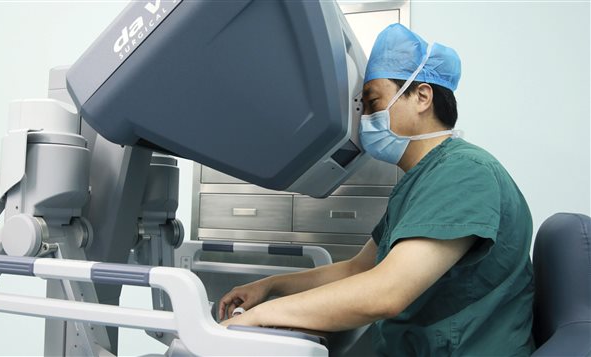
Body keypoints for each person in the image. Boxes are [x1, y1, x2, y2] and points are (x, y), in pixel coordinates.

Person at [219, 23, 534, 356]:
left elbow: (387, 292)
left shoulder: (464, 173)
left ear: (422, 97)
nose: (365, 118)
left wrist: (257, 319)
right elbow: (358, 269)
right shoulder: (424, 178)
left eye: (372, 102)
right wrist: (270, 287)